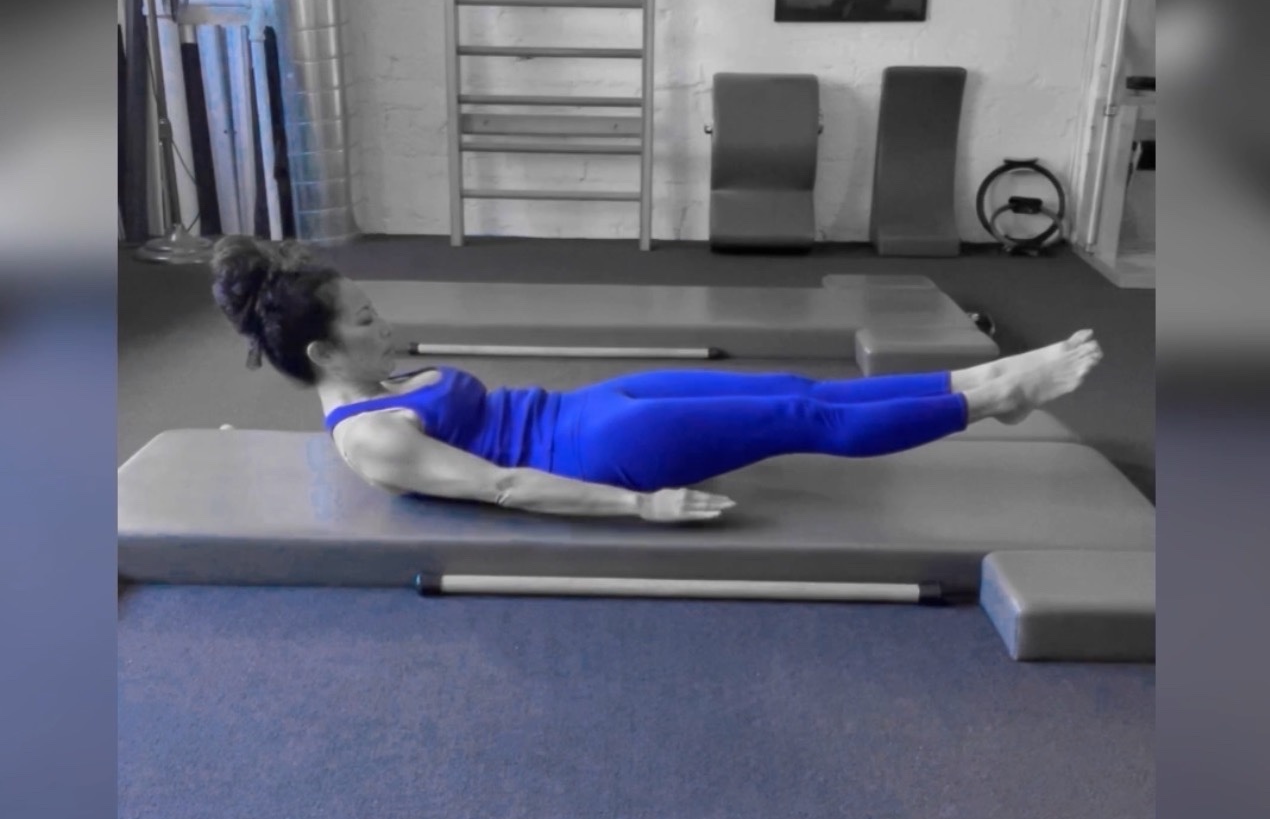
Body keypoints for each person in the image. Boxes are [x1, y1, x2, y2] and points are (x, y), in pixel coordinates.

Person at [211, 237, 1103, 526]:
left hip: (589, 403)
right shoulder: (371, 437)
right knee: (805, 418)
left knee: (793, 382)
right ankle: (994, 400)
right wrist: (643, 506)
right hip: (605, 448)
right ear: (323, 353)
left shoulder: (373, 374)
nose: (383, 325)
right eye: (364, 320)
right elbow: (504, 483)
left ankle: (977, 374)